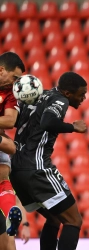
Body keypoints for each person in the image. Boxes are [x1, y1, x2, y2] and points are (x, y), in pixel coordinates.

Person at [9, 72, 87, 250]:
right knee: (73, 220)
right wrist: (72, 127)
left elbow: (17, 121)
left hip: (17, 170)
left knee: (54, 218)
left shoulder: (39, 95)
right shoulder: (60, 100)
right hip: (36, 168)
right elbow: (47, 122)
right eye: (81, 94)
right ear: (68, 93)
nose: (83, 97)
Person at [0, 52, 26, 249]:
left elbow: (10, 121)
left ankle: (10, 216)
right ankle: (10, 213)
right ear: (1, 70)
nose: (17, 83)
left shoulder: (10, 93)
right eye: (15, 78)